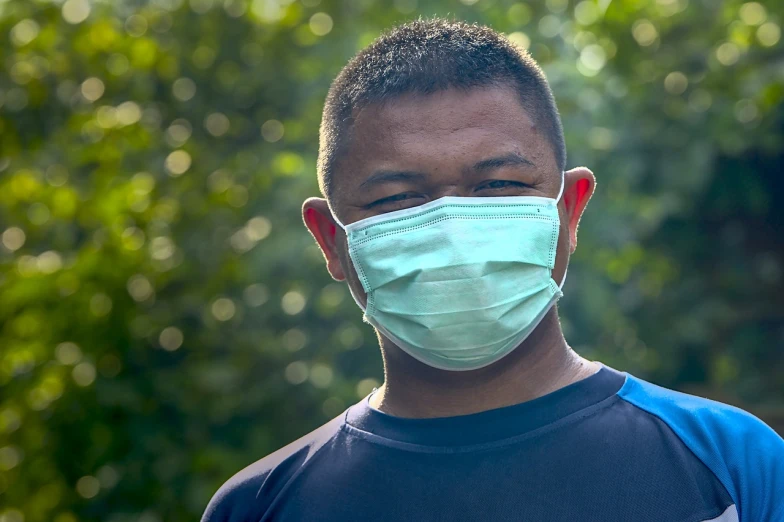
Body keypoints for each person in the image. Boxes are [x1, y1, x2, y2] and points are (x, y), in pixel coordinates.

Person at [202, 18, 783, 522]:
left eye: (500, 185)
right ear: (332, 239)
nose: (454, 227)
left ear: (569, 210)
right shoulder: (263, 509)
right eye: (397, 199)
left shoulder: (736, 469)